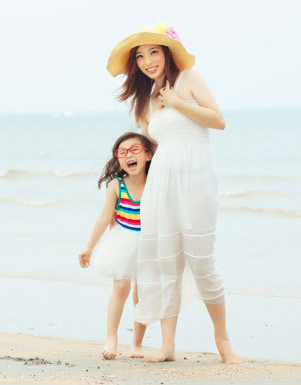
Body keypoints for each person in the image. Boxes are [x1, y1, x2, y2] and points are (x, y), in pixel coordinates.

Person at [107, 23, 242, 363]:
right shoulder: (145, 99)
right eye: (140, 56)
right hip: (161, 181)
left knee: (201, 259)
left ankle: (223, 341)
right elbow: (146, 147)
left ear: (168, 52)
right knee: (166, 261)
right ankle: (167, 345)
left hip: (196, 176)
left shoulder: (188, 79)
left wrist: (179, 103)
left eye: (153, 52)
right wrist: (123, 187)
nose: (147, 61)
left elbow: (218, 120)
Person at [78, 132, 154, 360]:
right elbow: (104, 218)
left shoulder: (156, 181)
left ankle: (137, 344)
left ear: (148, 155)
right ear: (117, 159)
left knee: (143, 294)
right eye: (122, 152)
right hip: (123, 240)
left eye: (135, 150)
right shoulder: (116, 185)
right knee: (121, 287)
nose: (128, 155)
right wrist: (89, 247)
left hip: (149, 243)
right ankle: (111, 338)